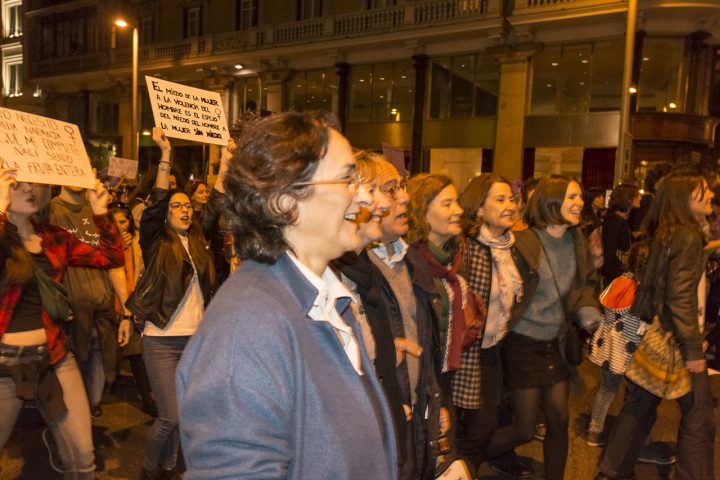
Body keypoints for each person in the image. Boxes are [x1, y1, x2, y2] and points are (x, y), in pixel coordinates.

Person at [176, 111, 397, 479]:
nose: (365, 198)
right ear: (285, 201)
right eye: (347, 179)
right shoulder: (248, 325)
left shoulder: (325, 298)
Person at [0, 169, 123, 479]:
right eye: (17, 184)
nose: (29, 189)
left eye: (32, 183)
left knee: (83, 458)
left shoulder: (54, 237)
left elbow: (111, 257)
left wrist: (100, 212)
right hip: (4, 366)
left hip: (54, 357)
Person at [595, 171, 716, 480]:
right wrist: (693, 349)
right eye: (704, 190)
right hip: (676, 338)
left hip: (656, 331)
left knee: (641, 404)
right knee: (699, 416)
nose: (711, 195)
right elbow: (679, 296)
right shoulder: (688, 235)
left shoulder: (670, 230)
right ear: (685, 197)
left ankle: (612, 471)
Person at [482, 175, 601, 480]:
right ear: (551, 201)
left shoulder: (577, 240)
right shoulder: (523, 242)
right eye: (572, 197)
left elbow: (585, 284)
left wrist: (589, 313)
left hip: (555, 342)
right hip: (522, 342)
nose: (580, 203)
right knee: (524, 429)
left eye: (580, 197)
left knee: (559, 420)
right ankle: (464, 457)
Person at [126, 128, 217, 480]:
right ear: (165, 214)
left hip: (195, 341)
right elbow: (155, 204)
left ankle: (168, 466)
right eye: (176, 206)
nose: (184, 210)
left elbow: (216, 205)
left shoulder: (199, 244)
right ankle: (149, 470)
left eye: (187, 205)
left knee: (186, 414)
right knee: (170, 416)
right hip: (162, 340)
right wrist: (165, 154)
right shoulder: (155, 242)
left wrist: (226, 163)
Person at [456, 174, 531, 478]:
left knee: (484, 426)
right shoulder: (469, 248)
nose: (509, 205)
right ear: (478, 208)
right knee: (477, 426)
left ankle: (461, 470)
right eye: (499, 200)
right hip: (467, 351)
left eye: (510, 199)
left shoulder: (505, 246)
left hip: (491, 348)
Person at [50, 183, 133, 416]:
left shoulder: (100, 213)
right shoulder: (50, 210)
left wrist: (127, 313)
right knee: (69, 400)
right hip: (68, 321)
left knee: (94, 397)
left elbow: (116, 266)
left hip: (101, 318)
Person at [109, 202, 157, 416]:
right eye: (115, 222)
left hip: (131, 303)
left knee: (136, 352)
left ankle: (147, 398)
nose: (121, 226)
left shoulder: (137, 244)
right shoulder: (104, 243)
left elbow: (142, 272)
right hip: (109, 305)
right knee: (108, 354)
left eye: (123, 221)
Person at [600, 184, 640, 285]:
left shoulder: (620, 220)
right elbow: (610, 254)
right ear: (628, 199)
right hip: (614, 278)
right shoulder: (615, 222)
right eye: (637, 195)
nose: (640, 198)